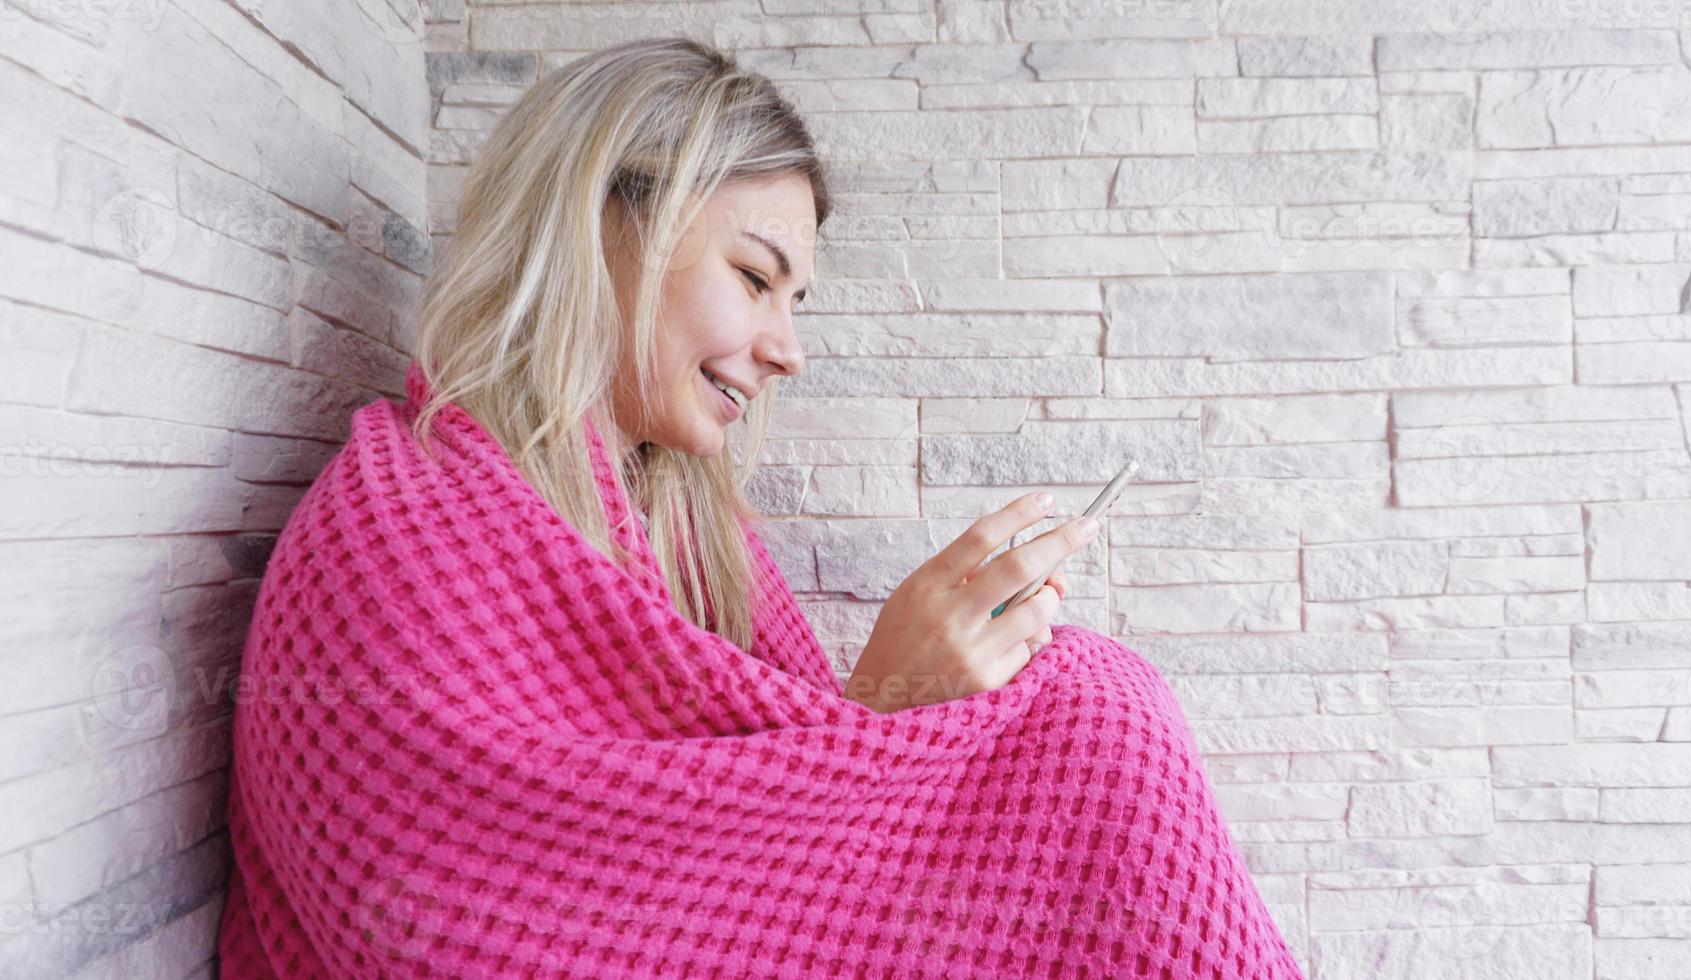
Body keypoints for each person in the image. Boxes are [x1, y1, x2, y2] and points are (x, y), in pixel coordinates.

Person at [217, 35, 1303, 978]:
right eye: (753, 275)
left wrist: (892, 710)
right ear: (604, 225)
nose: (787, 348)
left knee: (1084, 695)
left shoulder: (684, 528)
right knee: (1087, 710)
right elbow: (454, 927)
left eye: (795, 300)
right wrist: (885, 704)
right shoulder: (403, 528)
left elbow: (753, 861)